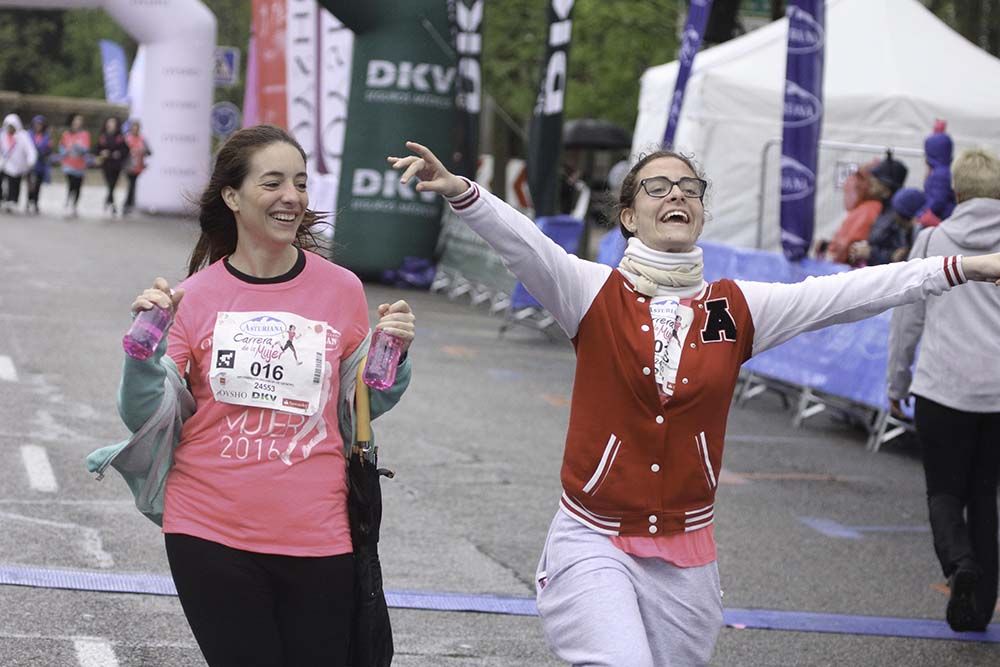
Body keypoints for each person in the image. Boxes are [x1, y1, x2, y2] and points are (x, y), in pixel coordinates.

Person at [387, 140, 1000, 665]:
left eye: (688, 186)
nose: (675, 194)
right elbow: (525, 244)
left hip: (687, 554)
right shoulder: (591, 291)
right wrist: (461, 190)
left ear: (701, 211)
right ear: (628, 215)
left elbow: (849, 293)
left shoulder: (737, 307)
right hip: (593, 539)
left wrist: (963, 266)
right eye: (656, 186)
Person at [117, 125, 415, 665]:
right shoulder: (194, 296)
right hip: (208, 530)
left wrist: (393, 356)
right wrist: (141, 357)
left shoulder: (341, 289)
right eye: (273, 182)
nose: (292, 198)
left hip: (320, 533)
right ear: (232, 196)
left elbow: (362, 405)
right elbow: (145, 414)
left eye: (300, 183)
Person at [886, 147, 1000, 633]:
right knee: (985, 496)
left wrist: (897, 380)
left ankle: (959, 565)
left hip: (942, 387)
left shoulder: (932, 240)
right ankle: (978, 611)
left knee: (945, 492)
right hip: (997, 395)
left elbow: (906, 315)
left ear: (957, 192)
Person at [823, 151, 907, 266]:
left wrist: (871, 253)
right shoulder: (883, 209)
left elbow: (901, 256)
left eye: (876, 179)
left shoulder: (898, 215)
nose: (870, 181)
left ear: (887, 187)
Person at [850, 187, 926, 266]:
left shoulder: (917, 234)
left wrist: (871, 253)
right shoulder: (906, 231)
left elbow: (898, 259)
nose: (893, 216)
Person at [918, 119, 957, 228]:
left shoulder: (939, 174)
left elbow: (937, 200)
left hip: (939, 218)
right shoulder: (945, 170)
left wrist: (921, 213)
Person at [0, 113, 38, 213]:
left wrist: (31, 160)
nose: (10, 129)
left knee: (14, 183)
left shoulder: (23, 136)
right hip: (4, 163)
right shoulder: (2, 135)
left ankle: (12, 201)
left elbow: (30, 150)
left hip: (17, 165)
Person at [59, 113, 90, 218]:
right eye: (76, 120)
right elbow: (61, 147)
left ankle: (74, 205)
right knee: (71, 183)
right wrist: (66, 151)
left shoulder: (85, 134)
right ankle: (68, 201)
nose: (77, 123)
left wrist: (78, 147)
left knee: (78, 186)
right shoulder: (66, 134)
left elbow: (86, 149)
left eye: (80, 121)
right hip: (68, 164)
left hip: (80, 165)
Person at [97, 116, 127, 216]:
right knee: (110, 184)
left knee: (112, 185)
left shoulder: (120, 137)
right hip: (106, 164)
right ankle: (113, 205)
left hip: (116, 165)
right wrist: (102, 153)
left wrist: (118, 153)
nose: (111, 125)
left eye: (113, 123)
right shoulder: (103, 136)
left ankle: (108, 201)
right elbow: (97, 149)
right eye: (109, 122)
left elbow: (125, 150)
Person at [122, 119, 151, 216]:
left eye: (136, 128)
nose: (134, 130)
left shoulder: (142, 139)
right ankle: (127, 204)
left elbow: (150, 152)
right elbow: (122, 151)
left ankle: (129, 204)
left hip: (138, 167)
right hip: (128, 166)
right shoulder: (127, 138)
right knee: (131, 185)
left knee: (133, 185)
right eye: (133, 128)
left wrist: (144, 151)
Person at [25, 115, 52, 215]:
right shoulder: (28, 135)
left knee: (38, 185)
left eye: (40, 124)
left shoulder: (46, 136)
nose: (38, 126)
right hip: (30, 165)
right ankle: (28, 201)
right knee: (30, 185)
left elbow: (49, 150)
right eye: (36, 124)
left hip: (40, 164)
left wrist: (43, 151)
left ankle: (35, 202)